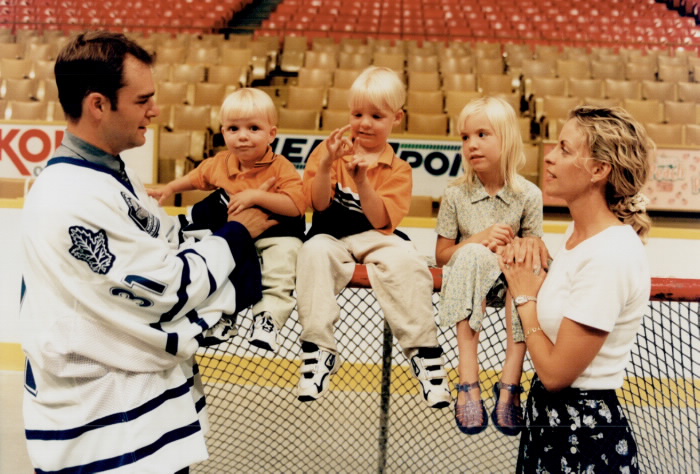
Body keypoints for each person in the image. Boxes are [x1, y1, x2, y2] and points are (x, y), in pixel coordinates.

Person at [20, 31, 275, 473]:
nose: (155, 111)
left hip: (135, 414)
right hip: (103, 429)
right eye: (143, 100)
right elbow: (165, 286)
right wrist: (237, 234)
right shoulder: (70, 195)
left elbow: (167, 240)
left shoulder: (111, 177)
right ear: (99, 105)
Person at [499, 106, 652, 472]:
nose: (549, 157)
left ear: (599, 171)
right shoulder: (576, 237)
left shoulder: (609, 254)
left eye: (565, 150)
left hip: (584, 436)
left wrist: (525, 296)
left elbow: (554, 374)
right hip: (549, 424)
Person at [294, 66, 451, 408]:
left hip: (375, 236)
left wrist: (362, 180)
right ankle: (319, 350)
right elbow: (316, 203)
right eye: (357, 114)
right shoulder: (328, 151)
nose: (364, 123)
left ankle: (424, 355)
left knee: (407, 260)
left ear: (397, 118)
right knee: (312, 253)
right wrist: (325, 166)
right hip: (330, 235)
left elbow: (381, 221)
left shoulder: (399, 169)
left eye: (376, 116)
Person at [149, 88, 307, 353]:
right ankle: (223, 318)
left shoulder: (281, 167)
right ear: (223, 133)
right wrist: (171, 188)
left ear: (272, 134)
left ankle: (267, 318)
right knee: (221, 262)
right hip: (240, 234)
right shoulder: (221, 162)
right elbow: (197, 178)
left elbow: (297, 206)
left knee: (283, 264)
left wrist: (257, 196)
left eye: (253, 128)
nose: (242, 136)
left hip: (276, 233)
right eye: (233, 129)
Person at [434, 97, 544, 436]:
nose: (472, 145)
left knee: (527, 263)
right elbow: (442, 255)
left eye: (482, 134)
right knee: (472, 255)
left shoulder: (529, 194)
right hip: (469, 279)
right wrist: (480, 238)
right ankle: (468, 379)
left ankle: (510, 382)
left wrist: (519, 248)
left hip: (511, 281)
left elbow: (536, 247)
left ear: (507, 138)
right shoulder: (455, 194)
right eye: (466, 137)